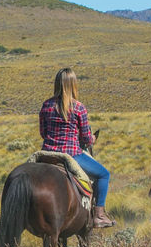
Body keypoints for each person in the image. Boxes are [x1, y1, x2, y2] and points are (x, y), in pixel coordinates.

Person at [39, 68, 115, 228]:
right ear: (73, 84)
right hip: (72, 154)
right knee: (104, 175)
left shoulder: (46, 105)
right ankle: (99, 215)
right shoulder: (79, 107)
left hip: (47, 154)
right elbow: (86, 138)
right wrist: (92, 138)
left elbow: (43, 133)